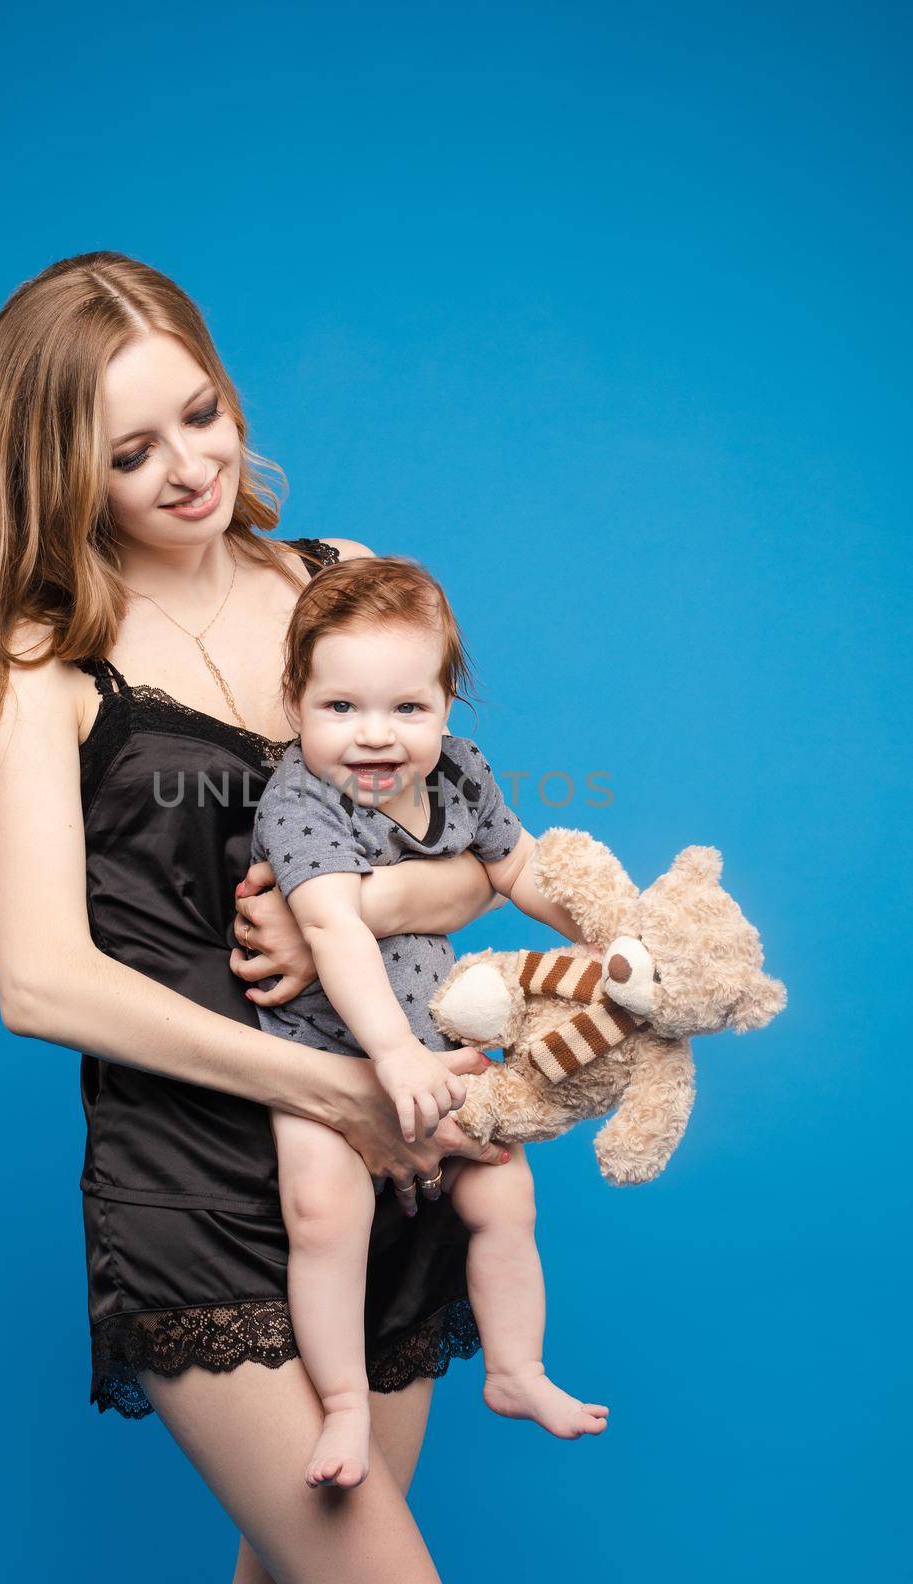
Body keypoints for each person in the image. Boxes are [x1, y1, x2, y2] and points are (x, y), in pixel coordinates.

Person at [0, 251, 518, 1583]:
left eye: (201, 414)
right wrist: (328, 1084)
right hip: (194, 1189)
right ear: (62, 470)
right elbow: (41, 983)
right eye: (129, 451)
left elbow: (482, 852)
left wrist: (356, 908)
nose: (186, 466)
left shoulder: (341, 581)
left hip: (388, 1163)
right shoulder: (40, 664)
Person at [251, 554, 609, 1489]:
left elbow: (519, 866)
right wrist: (391, 1054)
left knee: (504, 1197)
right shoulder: (298, 802)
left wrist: (616, 940)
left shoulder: (459, 774)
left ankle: (515, 1369)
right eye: (341, 709)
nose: (375, 738)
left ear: (447, 707)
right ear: (294, 704)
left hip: (438, 1044)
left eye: (406, 709)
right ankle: (339, 1407)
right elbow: (332, 928)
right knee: (323, 1216)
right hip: (325, 1053)